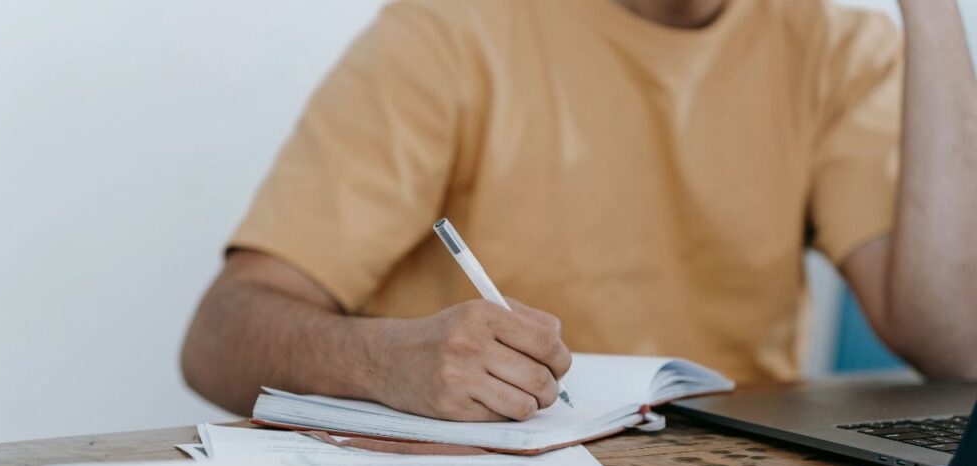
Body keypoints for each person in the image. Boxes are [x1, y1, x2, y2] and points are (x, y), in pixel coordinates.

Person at [181, 0, 977, 422]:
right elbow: (220, 334)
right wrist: (384, 362)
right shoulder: (445, 32)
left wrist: (933, 10)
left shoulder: (844, 50)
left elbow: (957, 344)